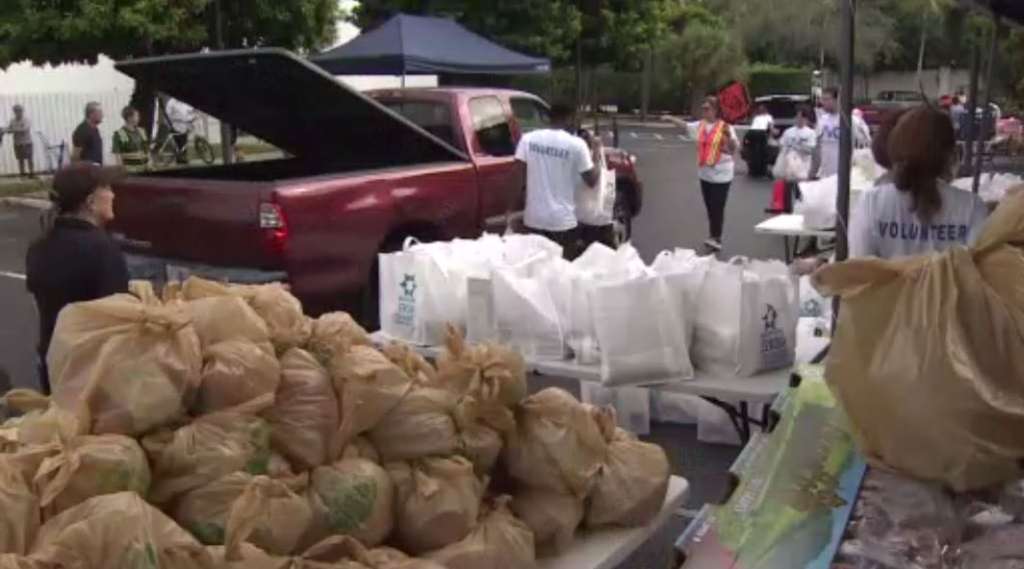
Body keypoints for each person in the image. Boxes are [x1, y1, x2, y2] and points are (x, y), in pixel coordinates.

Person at [25, 163, 128, 394]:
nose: (113, 194)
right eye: (107, 188)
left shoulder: (39, 246)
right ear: (91, 202)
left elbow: (39, 305)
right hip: (92, 375)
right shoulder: (103, 249)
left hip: (52, 363)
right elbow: (117, 321)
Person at [848, 105, 988, 259]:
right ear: (950, 155)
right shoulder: (972, 207)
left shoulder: (871, 202)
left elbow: (859, 268)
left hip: (884, 284)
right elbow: (977, 270)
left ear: (894, 148)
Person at [514, 103, 599, 260]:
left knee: (534, 271)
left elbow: (516, 181)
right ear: (569, 118)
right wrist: (596, 151)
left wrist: (510, 212)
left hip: (534, 220)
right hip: (563, 223)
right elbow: (592, 180)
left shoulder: (528, 139)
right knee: (561, 274)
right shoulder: (577, 145)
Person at [696, 96, 740, 252]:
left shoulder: (725, 127)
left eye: (707, 109)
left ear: (715, 110)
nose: (704, 111)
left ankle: (717, 237)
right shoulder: (700, 125)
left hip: (722, 174)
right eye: (703, 108)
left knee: (717, 206)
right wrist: (669, 118)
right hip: (705, 174)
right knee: (709, 207)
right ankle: (712, 234)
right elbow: (685, 126)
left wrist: (729, 139)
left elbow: (733, 149)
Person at [575, 129, 616, 250]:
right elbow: (593, 179)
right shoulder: (585, 157)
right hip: (591, 220)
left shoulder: (573, 155)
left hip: (583, 218)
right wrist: (597, 151)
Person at [773, 106, 817, 211]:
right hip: (788, 165)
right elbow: (781, 144)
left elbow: (811, 149)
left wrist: (799, 147)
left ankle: (801, 209)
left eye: (801, 117)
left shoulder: (810, 133)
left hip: (802, 165)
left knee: (800, 190)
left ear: (806, 119)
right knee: (787, 188)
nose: (799, 120)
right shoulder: (789, 132)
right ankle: (786, 210)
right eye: (797, 117)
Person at [112, 106, 150, 171]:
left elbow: (147, 149)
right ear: (130, 118)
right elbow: (118, 155)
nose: (139, 118)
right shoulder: (120, 134)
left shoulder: (141, 131)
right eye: (137, 116)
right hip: (130, 170)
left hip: (144, 168)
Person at [745, 104, 774, 178]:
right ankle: (757, 169)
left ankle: (757, 169)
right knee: (760, 151)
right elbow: (770, 128)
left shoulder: (759, 117)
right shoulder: (764, 117)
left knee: (759, 151)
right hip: (758, 135)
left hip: (756, 135)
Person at [164, 97, 196, 165]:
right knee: (179, 145)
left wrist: (193, 117)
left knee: (183, 146)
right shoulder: (171, 102)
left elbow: (191, 111)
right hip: (175, 127)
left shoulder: (185, 103)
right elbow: (167, 115)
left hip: (185, 126)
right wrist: (169, 125)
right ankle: (178, 159)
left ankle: (182, 159)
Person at [6, 105, 34, 178]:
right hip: (17, 143)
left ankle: (32, 173)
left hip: (27, 142)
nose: (18, 112)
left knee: (29, 158)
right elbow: (9, 130)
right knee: (20, 159)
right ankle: (22, 173)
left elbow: (24, 129)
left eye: (20, 111)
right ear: (14, 112)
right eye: (16, 111)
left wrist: (13, 130)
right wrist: (4, 130)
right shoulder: (12, 121)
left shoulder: (26, 120)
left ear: (22, 111)